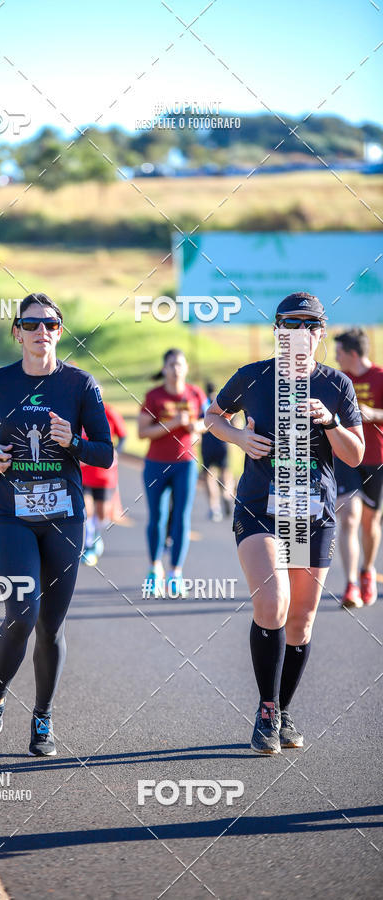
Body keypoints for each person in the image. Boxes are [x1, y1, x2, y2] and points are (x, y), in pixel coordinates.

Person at [0, 292, 113, 758]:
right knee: (21, 613)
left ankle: (42, 716)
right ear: (17, 333)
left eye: (51, 324)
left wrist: (75, 444)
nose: (42, 331)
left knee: (51, 625)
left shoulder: (80, 385)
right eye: (31, 324)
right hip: (11, 517)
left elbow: (105, 451)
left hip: (64, 518)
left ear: (60, 332)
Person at [205, 292, 364, 754]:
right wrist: (239, 436)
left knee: (301, 621)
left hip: (312, 512)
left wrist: (331, 423)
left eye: (311, 327)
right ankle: (267, 712)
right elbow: (212, 417)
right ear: (278, 331)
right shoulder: (253, 376)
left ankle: (283, 708)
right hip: (261, 506)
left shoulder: (335, 385)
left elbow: (356, 454)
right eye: (291, 326)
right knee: (273, 603)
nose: (301, 334)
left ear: (321, 334)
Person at [138, 349, 206, 598]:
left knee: (181, 517)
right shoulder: (154, 396)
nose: (176, 368)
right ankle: (154, 570)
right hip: (156, 463)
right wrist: (173, 422)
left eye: (180, 364)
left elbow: (206, 422)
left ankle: (176, 573)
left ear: (186, 367)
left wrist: (194, 426)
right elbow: (142, 432)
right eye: (171, 364)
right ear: (164, 369)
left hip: (185, 463)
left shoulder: (195, 393)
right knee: (157, 516)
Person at [333, 328, 383, 608]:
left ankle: (367, 571)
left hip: (377, 458)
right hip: (347, 458)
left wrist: (373, 414)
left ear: (352, 353)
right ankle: (350, 585)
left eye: (339, 352)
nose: (336, 357)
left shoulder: (379, 377)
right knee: (349, 517)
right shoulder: (339, 381)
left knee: (369, 522)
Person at [81, 389, 127, 566]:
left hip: (105, 474)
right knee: (86, 509)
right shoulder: (80, 413)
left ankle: (96, 536)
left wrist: (116, 452)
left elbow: (123, 436)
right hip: (84, 472)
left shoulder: (110, 412)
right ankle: (89, 544)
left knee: (101, 513)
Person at [201, 381, 235, 522]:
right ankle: (227, 495)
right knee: (225, 472)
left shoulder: (203, 404)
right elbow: (235, 423)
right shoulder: (223, 402)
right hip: (222, 442)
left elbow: (200, 424)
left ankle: (214, 508)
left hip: (207, 443)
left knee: (209, 475)